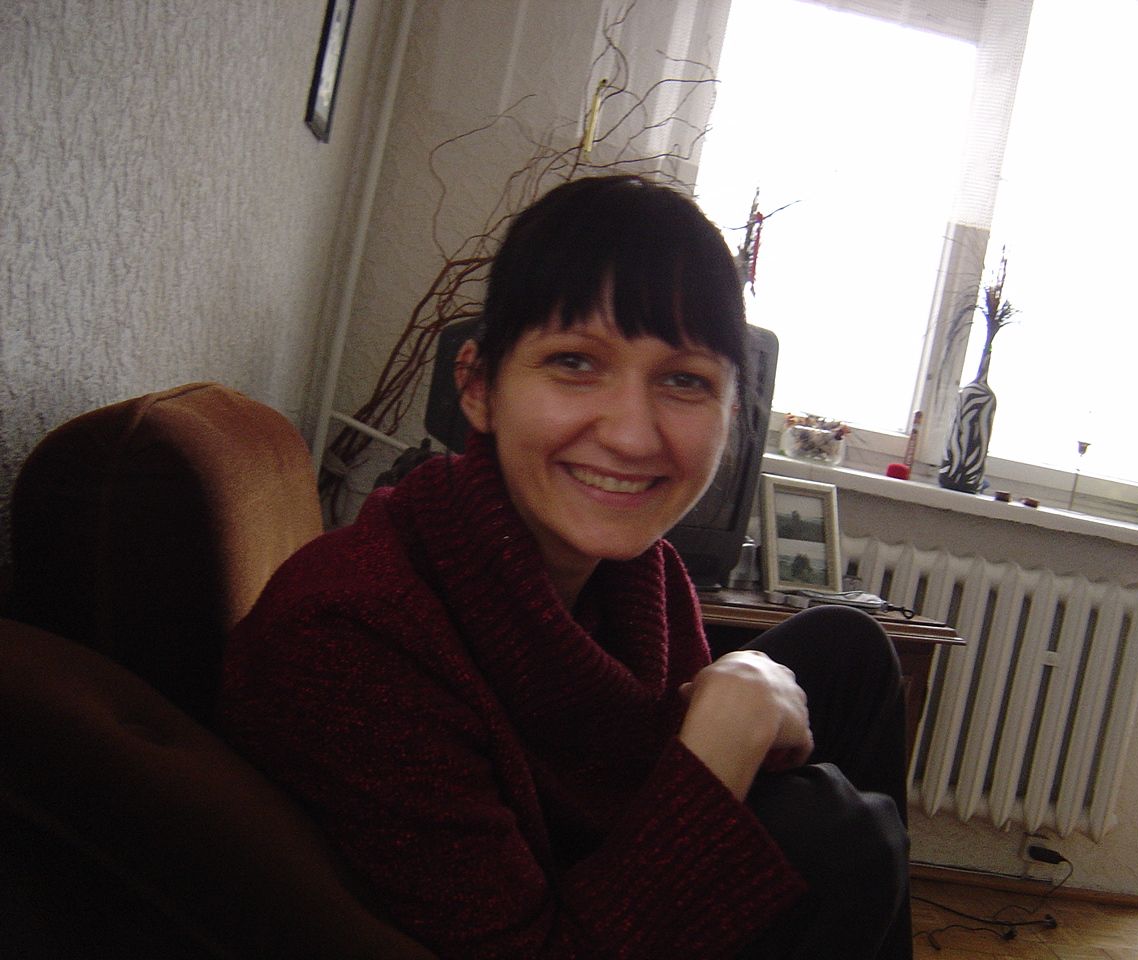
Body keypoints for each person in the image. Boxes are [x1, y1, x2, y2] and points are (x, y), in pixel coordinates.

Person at [218, 175, 910, 959]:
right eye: (575, 362)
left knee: (849, 648)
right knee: (838, 834)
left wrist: (739, 697)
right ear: (478, 387)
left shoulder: (640, 578)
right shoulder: (353, 639)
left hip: (591, 867)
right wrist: (725, 736)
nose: (632, 436)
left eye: (685, 380)